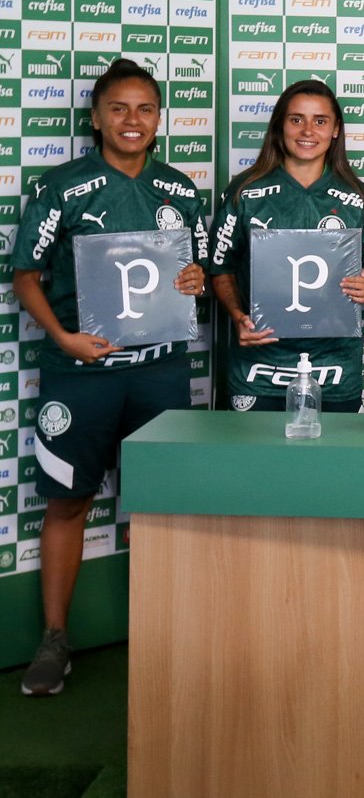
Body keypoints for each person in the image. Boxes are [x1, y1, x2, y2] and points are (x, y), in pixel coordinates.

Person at [13, 59, 207, 695]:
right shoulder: (61, 187)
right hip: (82, 374)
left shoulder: (179, 189)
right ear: (95, 118)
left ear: (159, 119)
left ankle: (170, 636)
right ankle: (54, 639)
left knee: (164, 505)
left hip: (160, 374)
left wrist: (195, 279)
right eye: (118, 108)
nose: (132, 120)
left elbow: (195, 274)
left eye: (145, 109)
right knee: (69, 502)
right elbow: (25, 276)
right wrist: (63, 337)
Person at [208, 80, 364, 411]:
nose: (308, 130)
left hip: (335, 366)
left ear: (335, 129)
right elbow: (221, 266)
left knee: (332, 448)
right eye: (296, 119)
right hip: (258, 365)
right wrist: (237, 316)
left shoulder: (356, 196)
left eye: (320, 120)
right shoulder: (244, 192)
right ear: (280, 126)